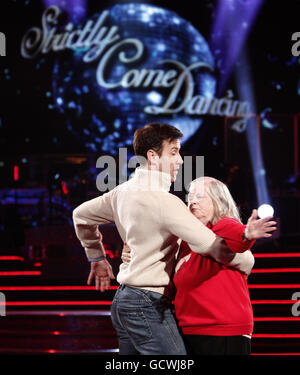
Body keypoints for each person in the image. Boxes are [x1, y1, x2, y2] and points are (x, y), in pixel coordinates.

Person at [73, 123, 258, 355]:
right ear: (152, 156)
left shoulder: (121, 192)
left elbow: (80, 216)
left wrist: (96, 257)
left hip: (123, 301)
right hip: (146, 302)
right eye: (173, 152)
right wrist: (246, 260)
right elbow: (210, 246)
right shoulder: (166, 202)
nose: (180, 160)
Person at [172, 177, 276, 355]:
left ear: (218, 201)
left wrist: (246, 234)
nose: (193, 202)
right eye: (190, 198)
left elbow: (236, 234)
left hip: (223, 330)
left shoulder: (222, 226)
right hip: (190, 331)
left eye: (199, 197)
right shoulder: (183, 241)